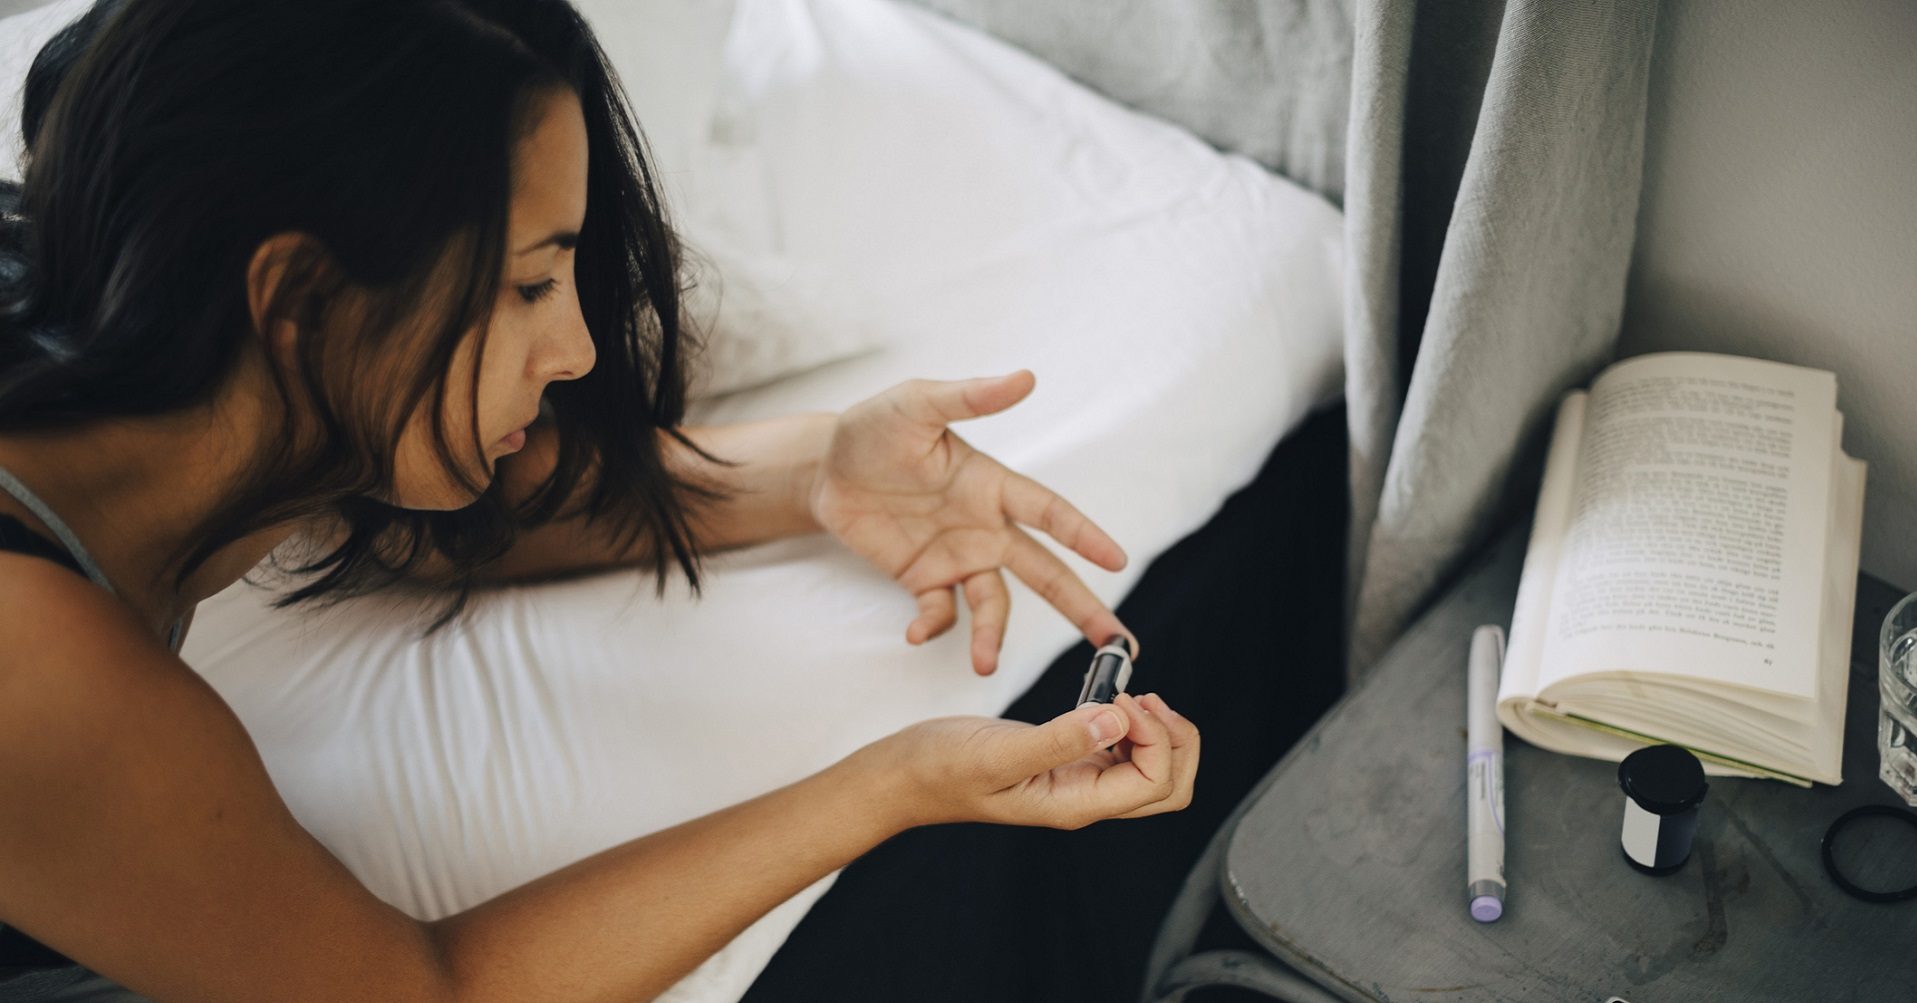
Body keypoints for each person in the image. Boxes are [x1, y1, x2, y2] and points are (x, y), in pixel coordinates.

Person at [0, 1, 1200, 999]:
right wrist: (894, 784)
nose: (574, 346)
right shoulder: (36, 661)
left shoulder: (142, 335)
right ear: (300, 298)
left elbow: (444, 515)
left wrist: (814, 470)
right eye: (527, 286)